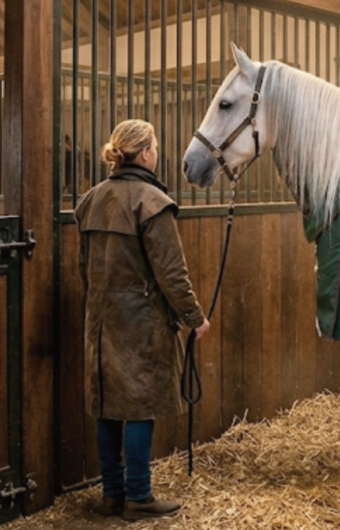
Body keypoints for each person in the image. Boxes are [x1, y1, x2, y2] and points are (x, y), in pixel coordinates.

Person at [74, 119, 210, 521]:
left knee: (107, 406)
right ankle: (138, 496)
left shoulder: (92, 199)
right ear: (146, 153)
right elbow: (172, 274)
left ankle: (112, 495)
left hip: (100, 318)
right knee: (139, 406)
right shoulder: (151, 202)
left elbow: (84, 268)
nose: (157, 153)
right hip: (141, 320)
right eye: (156, 147)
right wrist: (195, 317)